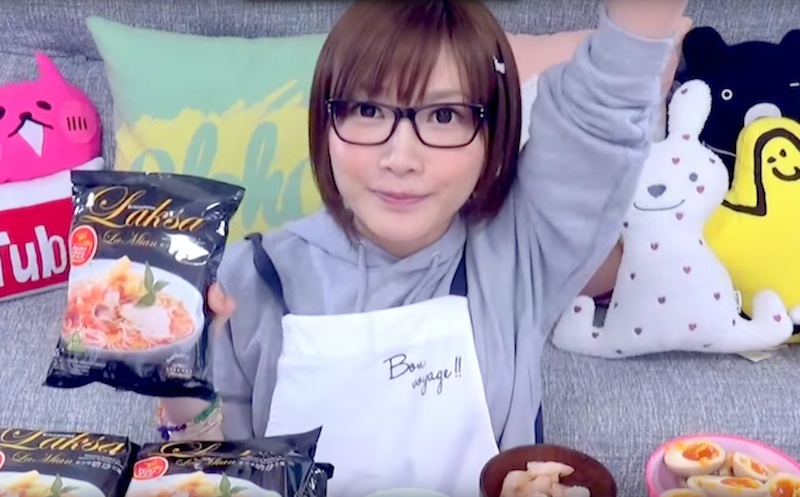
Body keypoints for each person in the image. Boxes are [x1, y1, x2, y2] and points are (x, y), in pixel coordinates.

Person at [156, 1, 689, 496]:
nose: (401, 158)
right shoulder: (246, 277)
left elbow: (602, 110)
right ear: (326, 123)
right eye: (368, 109)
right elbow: (211, 473)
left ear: (491, 136)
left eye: (444, 116)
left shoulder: (521, 251)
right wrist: (176, 379)